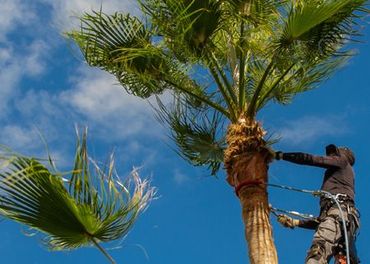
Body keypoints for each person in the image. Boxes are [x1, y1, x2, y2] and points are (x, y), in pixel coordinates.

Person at [274, 144, 360, 264]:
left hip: (341, 214)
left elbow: (314, 159)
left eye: (334, 155)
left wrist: (281, 155)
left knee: (318, 251)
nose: (331, 157)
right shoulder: (339, 188)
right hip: (343, 218)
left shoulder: (343, 162)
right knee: (340, 258)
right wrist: (295, 222)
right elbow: (323, 221)